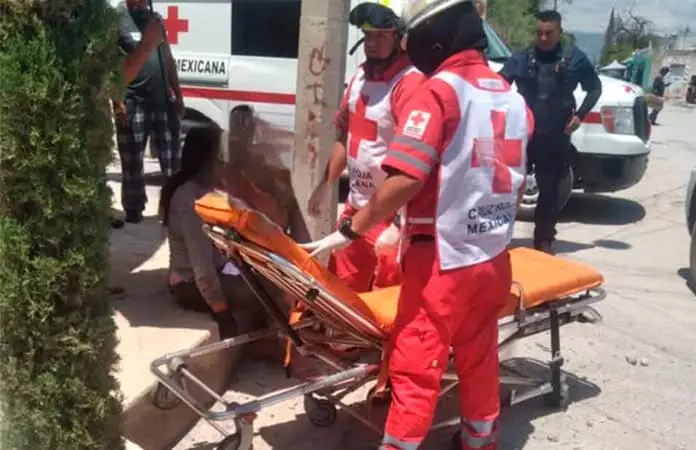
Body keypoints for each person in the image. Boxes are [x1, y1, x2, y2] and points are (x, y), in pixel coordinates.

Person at [299, 0, 533, 448]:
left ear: (435, 42)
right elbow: (514, 184)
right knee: (479, 355)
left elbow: (407, 177)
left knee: (415, 362)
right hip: (492, 255)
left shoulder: (438, 91)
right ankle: (480, 440)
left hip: (441, 260)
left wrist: (352, 228)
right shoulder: (512, 97)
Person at [307, 1, 425, 292]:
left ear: (400, 38)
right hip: (356, 210)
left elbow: (417, 160)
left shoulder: (409, 84)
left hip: (390, 216)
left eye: (380, 36)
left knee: (387, 300)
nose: (371, 43)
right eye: (367, 35)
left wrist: (398, 224)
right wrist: (325, 186)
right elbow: (346, 136)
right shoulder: (359, 77)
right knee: (341, 293)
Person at [499, 10, 601, 254]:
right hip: (524, 134)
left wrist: (580, 115)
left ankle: (544, 240)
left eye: (548, 33)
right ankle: (499, 237)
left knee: (550, 190)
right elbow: (499, 83)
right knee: (509, 186)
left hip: (555, 135)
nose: (543, 38)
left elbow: (594, 88)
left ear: (559, 32)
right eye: (539, 33)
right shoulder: (522, 57)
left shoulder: (574, 58)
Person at [114, 0, 183, 224]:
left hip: (163, 102)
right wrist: (117, 101)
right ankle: (134, 208)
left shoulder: (155, 20)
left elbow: (167, 59)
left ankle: (172, 208)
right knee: (132, 161)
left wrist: (178, 93)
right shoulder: (117, 20)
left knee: (172, 162)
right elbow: (112, 66)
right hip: (133, 101)